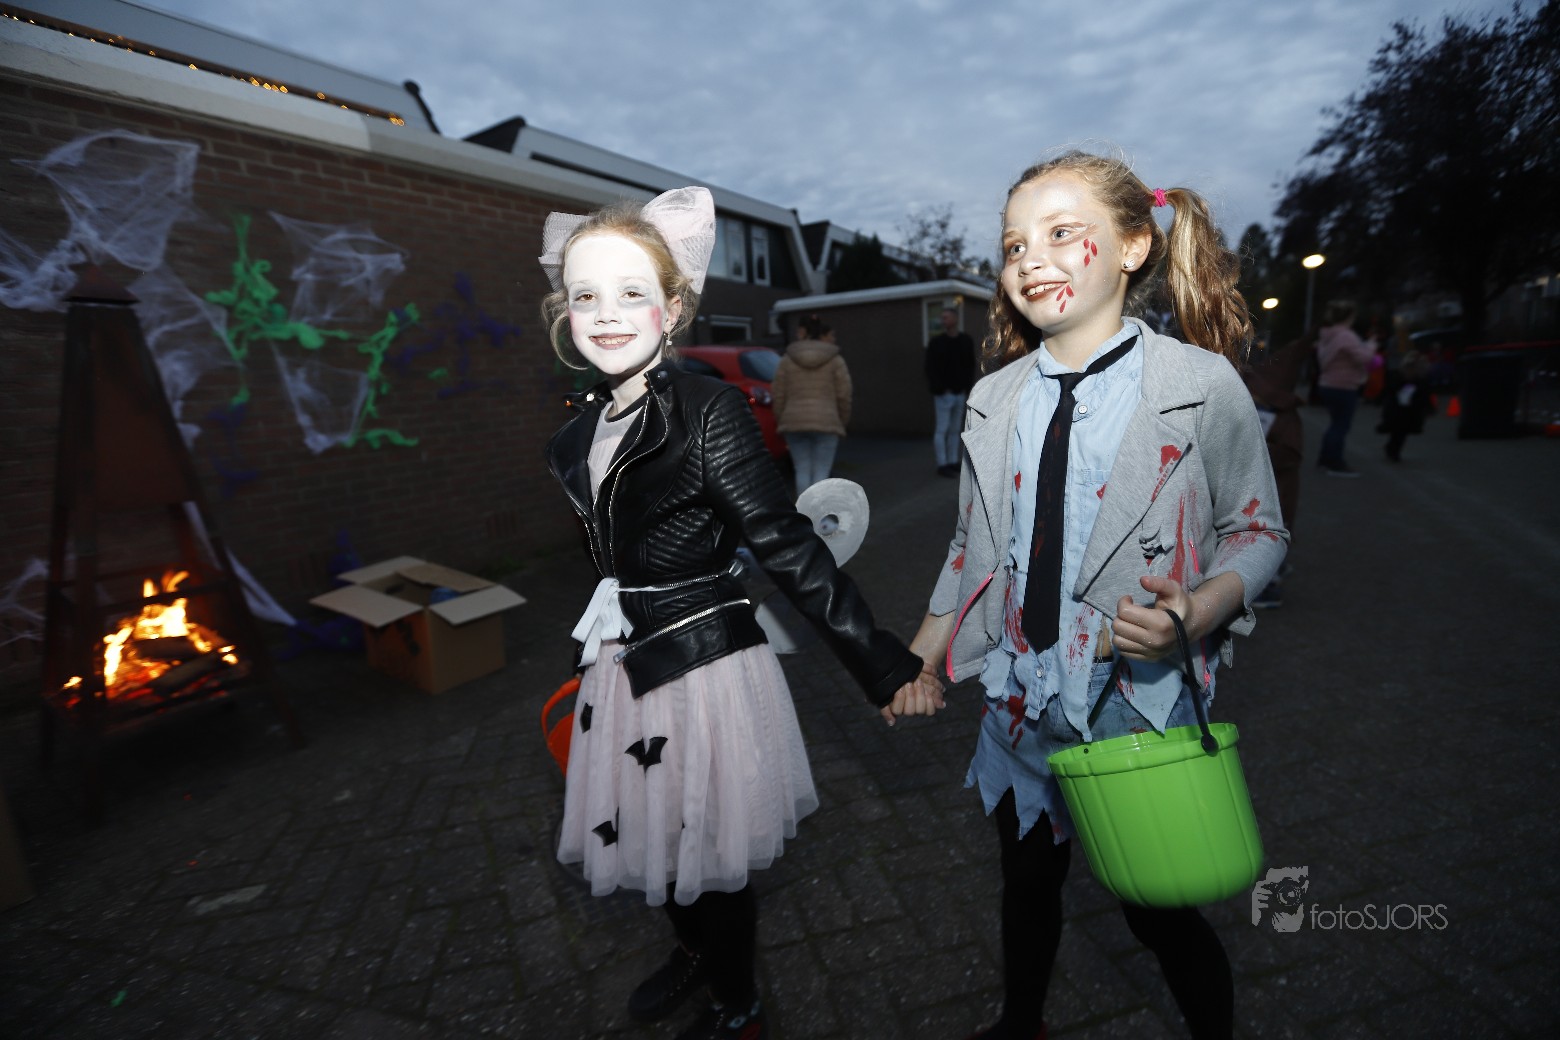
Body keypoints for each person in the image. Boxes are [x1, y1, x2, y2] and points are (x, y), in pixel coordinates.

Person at [892, 151, 1288, 1039]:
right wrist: (918, 660)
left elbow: (1260, 530)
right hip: (1019, 701)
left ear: (1134, 246)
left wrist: (1198, 611)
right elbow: (969, 550)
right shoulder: (991, 401)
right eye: (1013, 245)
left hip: (1132, 706)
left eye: (1062, 233)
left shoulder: (1198, 386)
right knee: (1026, 882)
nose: (1030, 258)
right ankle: (1020, 1023)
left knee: (1159, 909)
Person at [537, 188, 936, 1040]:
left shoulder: (707, 410)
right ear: (563, 311)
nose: (606, 314)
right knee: (646, 833)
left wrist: (884, 664)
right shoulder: (575, 436)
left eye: (631, 292)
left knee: (709, 853)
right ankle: (694, 952)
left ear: (674, 305)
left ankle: (737, 1002)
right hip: (620, 665)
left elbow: (787, 545)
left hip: (701, 665)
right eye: (585, 294)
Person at [1240, 336, 1308, 607]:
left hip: (1278, 488)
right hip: (1258, 485)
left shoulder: (1286, 417)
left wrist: (1261, 450)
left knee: (1270, 533)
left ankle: (1269, 585)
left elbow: (1291, 454)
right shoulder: (1256, 408)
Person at [771, 314, 851, 496]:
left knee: (802, 469)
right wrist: (841, 421)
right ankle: (819, 513)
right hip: (827, 421)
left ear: (801, 332)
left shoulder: (787, 360)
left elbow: (778, 394)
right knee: (822, 471)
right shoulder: (835, 360)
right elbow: (844, 395)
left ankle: (804, 512)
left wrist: (781, 419)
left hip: (793, 422)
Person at [1314, 300, 1376, 476]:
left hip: (1327, 383)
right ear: (1350, 316)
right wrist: (1371, 345)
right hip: (1344, 385)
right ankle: (1335, 462)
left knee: (1335, 424)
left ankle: (1325, 458)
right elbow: (1363, 358)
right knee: (1341, 426)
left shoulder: (1327, 335)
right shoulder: (1346, 336)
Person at [926, 306, 977, 476]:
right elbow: (930, 367)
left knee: (955, 429)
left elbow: (970, 365)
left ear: (955, 319)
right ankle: (942, 464)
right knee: (942, 428)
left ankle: (953, 461)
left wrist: (967, 388)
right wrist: (940, 388)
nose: (943, 321)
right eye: (942, 318)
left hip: (960, 393)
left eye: (946, 317)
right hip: (943, 394)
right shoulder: (936, 343)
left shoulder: (965, 341)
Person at [1379, 349, 1433, 461]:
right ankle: (1393, 450)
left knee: (1401, 431)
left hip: (1408, 409)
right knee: (1399, 431)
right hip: (1399, 408)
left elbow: (1423, 394)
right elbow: (1391, 390)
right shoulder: (1401, 376)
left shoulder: (1417, 378)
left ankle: (1393, 449)